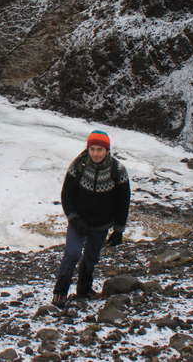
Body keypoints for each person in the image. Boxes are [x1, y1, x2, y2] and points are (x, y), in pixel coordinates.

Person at [52, 130, 131, 308]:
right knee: (72, 254)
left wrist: (118, 230)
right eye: (92, 149)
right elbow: (66, 195)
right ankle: (60, 293)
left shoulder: (118, 170)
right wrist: (74, 218)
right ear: (88, 149)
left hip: (101, 224)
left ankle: (84, 291)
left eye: (100, 149)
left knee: (91, 258)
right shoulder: (78, 166)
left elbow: (123, 201)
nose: (96, 153)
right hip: (78, 222)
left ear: (107, 151)